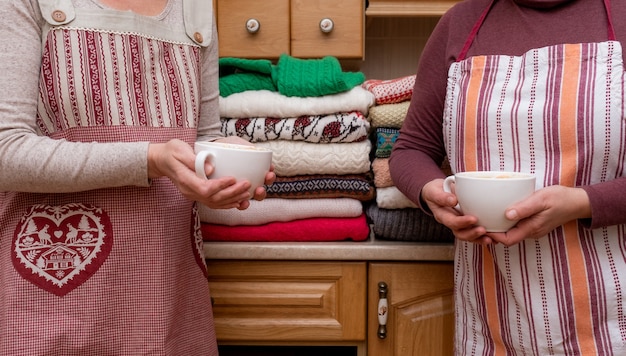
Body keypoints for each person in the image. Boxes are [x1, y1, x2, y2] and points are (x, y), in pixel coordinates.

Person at [0, 0, 274, 354]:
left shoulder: (195, 8)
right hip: (54, 299)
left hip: (167, 293)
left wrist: (228, 163)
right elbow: (6, 151)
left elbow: (201, 138)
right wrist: (149, 158)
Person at [390, 0, 626, 354]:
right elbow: (411, 149)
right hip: (489, 324)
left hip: (608, 320)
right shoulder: (461, 23)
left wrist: (580, 203)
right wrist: (434, 195)